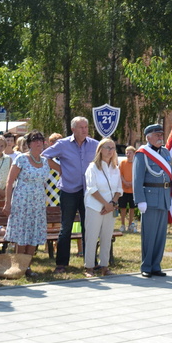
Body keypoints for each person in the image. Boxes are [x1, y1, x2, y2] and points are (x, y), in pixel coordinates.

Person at [41, 116, 98, 274]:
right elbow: (44, 157)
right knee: (66, 228)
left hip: (89, 192)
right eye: (81, 127)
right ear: (73, 129)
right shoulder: (63, 144)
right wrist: (59, 168)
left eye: (86, 127)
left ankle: (91, 262)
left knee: (89, 227)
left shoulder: (94, 144)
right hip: (68, 190)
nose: (84, 130)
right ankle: (61, 264)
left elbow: (104, 159)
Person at [3, 130, 51, 278]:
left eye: (40, 140)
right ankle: (19, 266)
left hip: (37, 202)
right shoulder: (21, 159)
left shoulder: (44, 161)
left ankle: (28, 266)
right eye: (35, 140)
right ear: (29, 144)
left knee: (33, 234)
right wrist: (7, 203)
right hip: (22, 201)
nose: (38, 143)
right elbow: (10, 181)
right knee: (22, 234)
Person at [133, 124, 172, 277]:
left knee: (160, 235)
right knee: (149, 234)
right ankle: (146, 266)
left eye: (161, 134)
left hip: (164, 197)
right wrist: (140, 200)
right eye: (156, 135)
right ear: (148, 137)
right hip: (149, 198)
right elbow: (137, 179)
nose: (160, 137)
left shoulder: (165, 152)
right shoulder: (142, 154)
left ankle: (156, 265)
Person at [83, 138, 122, 277]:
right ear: (100, 149)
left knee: (107, 237)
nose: (111, 151)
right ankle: (89, 267)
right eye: (108, 147)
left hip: (110, 207)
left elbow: (119, 189)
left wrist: (112, 204)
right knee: (92, 237)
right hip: (95, 206)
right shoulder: (92, 167)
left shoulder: (115, 168)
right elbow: (92, 189)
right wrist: (106, 204)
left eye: (113, 148)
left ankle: (104, 266)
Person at [118, 146, 136, 233]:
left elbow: (138, 176)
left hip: (133, 190)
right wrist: (125, 182)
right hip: (124, 189)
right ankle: (122, 225)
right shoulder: (122, 163)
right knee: (123, 207)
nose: (128, 154)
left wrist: (132, 183)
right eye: (127, 152)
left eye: (130, 153)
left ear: (134, 154)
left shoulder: (136, 163)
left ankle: (130, 225)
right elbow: (120, 174)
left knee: (132, 208)